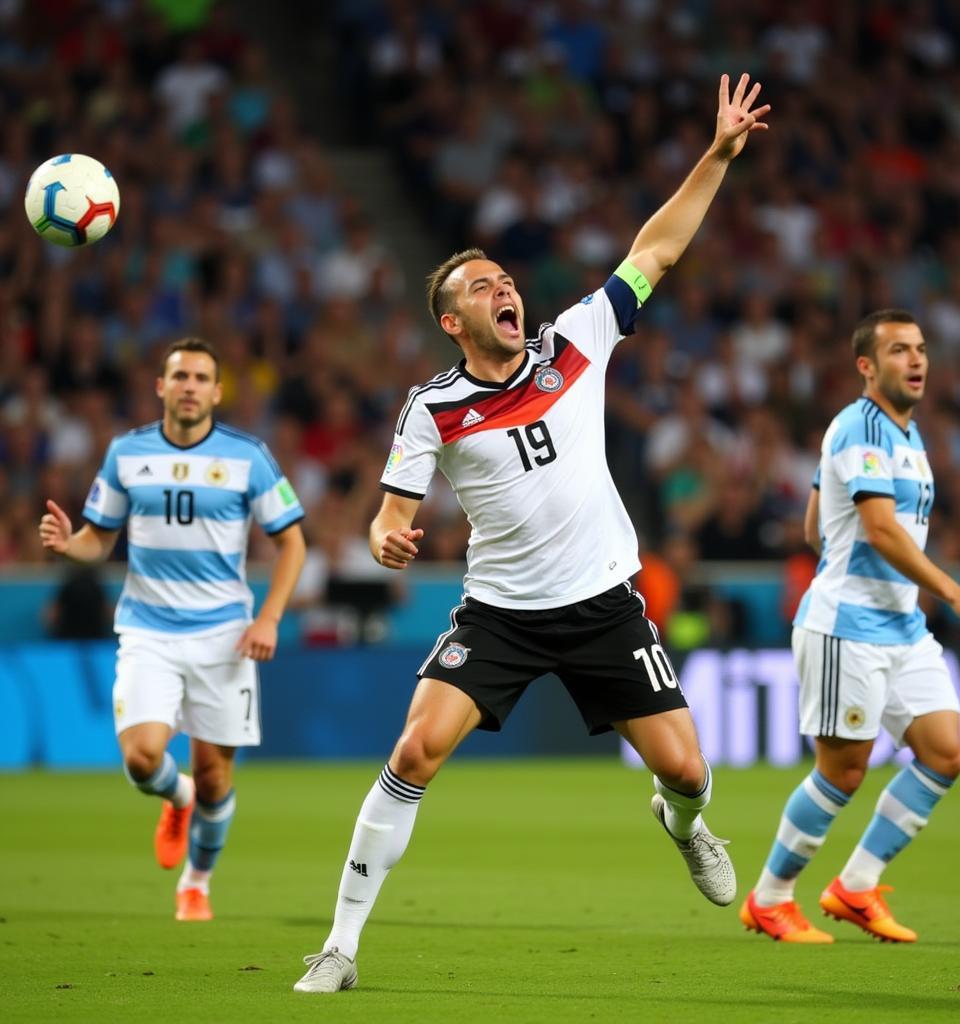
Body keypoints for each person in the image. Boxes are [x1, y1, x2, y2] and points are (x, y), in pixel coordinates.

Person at [294, 73, 770, 994]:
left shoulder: (577, 340)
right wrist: (392, 536)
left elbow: (658, 250)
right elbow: (393, 510)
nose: (503, 290)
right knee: (412, 752)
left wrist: (715, 153)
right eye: (483, 287)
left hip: (603, 605)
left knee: (689, 769)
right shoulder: (432, 408)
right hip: (502, 615)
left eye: (505, 280)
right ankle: (342, 947)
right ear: (453, 320)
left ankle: (684, 827)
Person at [740, 309, 960, 944]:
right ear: (867, 366)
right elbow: (880, 528)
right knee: (843, 772)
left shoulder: (907, 436)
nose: (916, 360)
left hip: (901, 627)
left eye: (920, 349)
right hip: (847, 628)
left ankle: (856, 886)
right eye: (898, 351)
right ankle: (771, 897)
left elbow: (815, 526)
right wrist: (951, 591)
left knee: (944, 754)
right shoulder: (859, 428)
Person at [39, 337, 306, 921]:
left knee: (215, 776)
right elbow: (98, 539)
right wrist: (69, 544)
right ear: (161, 387)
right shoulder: (126, 454)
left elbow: (292, 542)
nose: (189, 386)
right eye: (179, 376)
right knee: (141, 760)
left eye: (201, 377)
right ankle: (174, 796)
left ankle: (197, 881)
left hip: (225, 637)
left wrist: (269, 616)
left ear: (216, 391)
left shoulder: (248, 456)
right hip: (148, 630)